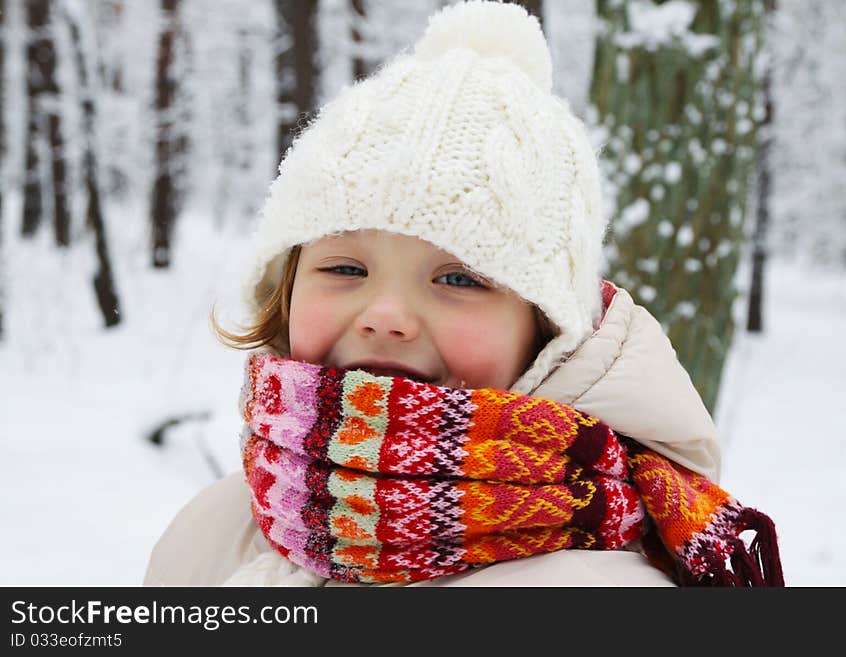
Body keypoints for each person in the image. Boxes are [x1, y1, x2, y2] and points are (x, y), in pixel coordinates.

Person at [143, 0, 781, 587]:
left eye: (458, 279)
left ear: (547, 331)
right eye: (344, 268)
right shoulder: (212, 536)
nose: (386, 316)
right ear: (285, 287)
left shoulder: (599, 579)